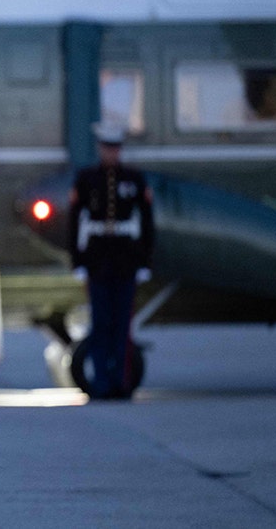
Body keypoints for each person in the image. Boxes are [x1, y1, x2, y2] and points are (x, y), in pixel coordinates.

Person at [67, 121, 154, 400]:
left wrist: (144, 262)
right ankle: (102, 383)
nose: (111, 153)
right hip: (97, 260)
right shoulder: (87, 179)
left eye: (115, 148)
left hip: (126, 259)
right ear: (100, 149)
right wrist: (77, 261)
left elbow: (147, 223)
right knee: (101, 324)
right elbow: (75, 223)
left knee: (122, 327)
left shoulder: (134, 179)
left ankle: (121, 383)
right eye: (107, 148)